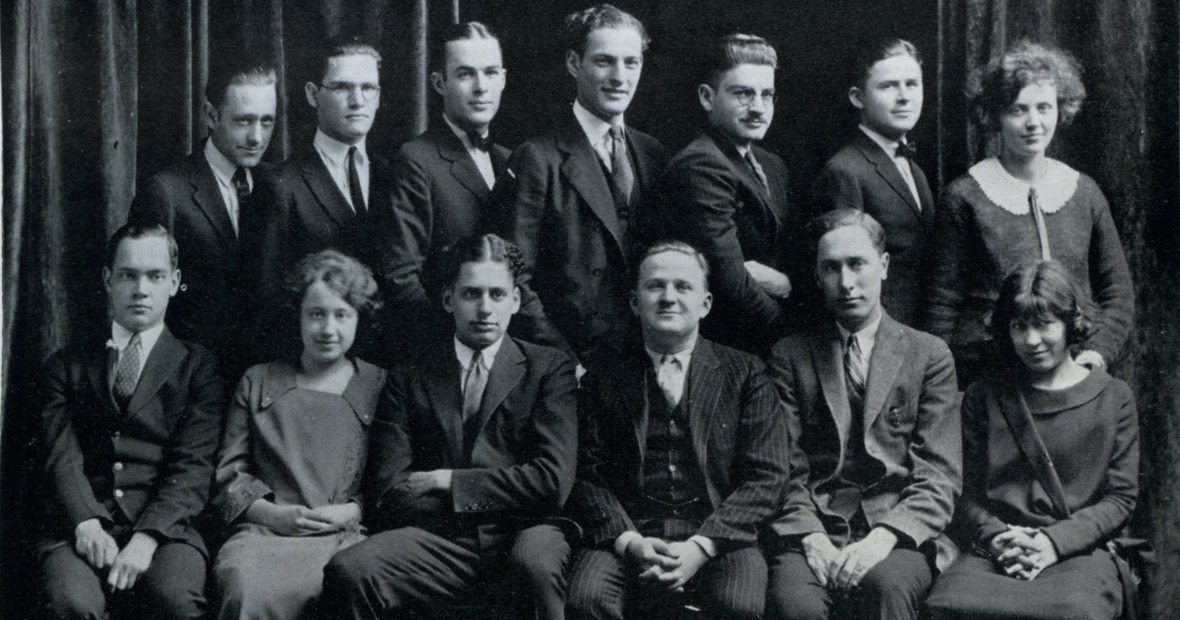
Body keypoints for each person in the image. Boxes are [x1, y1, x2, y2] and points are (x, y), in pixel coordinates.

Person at [320, 234, 578, 620]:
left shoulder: (548, 368)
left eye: (497, 294)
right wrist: (487, 499)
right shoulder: (410, 374)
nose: (485, 308)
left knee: (534, 564)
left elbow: (552, 481)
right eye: (472, 294)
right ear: (448, 300)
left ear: (516, 301)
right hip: (440, 538)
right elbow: (391, 487)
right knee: (351, 570)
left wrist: (449, 481)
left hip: (527, 531)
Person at [565, 240, 790, 620]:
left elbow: (767, 476)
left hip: (719, 534)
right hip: (629, 531)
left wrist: (701, 546)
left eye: (683, 286)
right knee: (587, 599)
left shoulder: (745, 373)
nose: (668, 297)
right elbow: (585, 473)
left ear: (706, 303)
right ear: (635, 302)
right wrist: (630, 541)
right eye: (655, 286)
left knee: (738, 605)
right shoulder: (604, 373)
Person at [765, 209, 960, 620]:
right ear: (817, 277)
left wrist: (885, 538)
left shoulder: (929, 355)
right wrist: (811, 537)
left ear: (884, 266)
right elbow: (784, 468)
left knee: (885, 590)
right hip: (815, 524)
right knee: (795, 606)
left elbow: (939, 474)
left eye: (858, 264)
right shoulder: (791, 356)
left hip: (897, 529)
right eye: (831, 268)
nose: (847, 282)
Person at [925, 260, 1138, 620]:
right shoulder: (985, 396)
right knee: (946, 605)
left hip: (1077, 551)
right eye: (1019, 326)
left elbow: (1120, 498)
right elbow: (965, 493)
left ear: (1070, 324)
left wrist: (1053, 543)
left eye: (1044, 324)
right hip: (997, 550)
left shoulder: (1113, 397)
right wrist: (996, 537)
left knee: (1073, 611)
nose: (1031, 340)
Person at [37, 223, 224, 619]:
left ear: (174, 282)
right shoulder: (65, 365)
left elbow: (193, 466)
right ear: (108, 279)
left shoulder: (198, 367)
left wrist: (148, 537)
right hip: (79, 525)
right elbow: (60, 457)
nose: (141, 289)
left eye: (155, 276)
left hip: (167, 529)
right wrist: (86, 521)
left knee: (174, 602)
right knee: (72, 604)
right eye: (128, 275)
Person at [923, 41, 1134, 388]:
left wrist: (1096, 353)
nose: (1033, 122)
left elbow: (1118, 294)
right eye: (1018, 109)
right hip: (993, 381)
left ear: (1060, 109)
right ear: (994, 115)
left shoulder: (1084, 192)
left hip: (1077, 377)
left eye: (1044, 107)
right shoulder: (964, 196)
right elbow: (941, 308)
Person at [488, 3, 668, 368]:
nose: (620, 76)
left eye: (631, 62)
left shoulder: (652, 153)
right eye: (604, 61)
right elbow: (513, 278)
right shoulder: (537, 158)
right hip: (573, 363)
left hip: (645, 357)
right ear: (574, 63)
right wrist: (564, 364)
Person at [211, 250, 386, 620]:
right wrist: (271, 515)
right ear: (298, 316)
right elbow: (229, 473)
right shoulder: (259, 381)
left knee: (350, 582)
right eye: (316, 314)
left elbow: (387, 478)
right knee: (242, 583)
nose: (328, 329)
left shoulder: (376, 385)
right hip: (264, 534)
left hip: (344, 536)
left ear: (359, 318)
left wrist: (353, 510)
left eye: (342, 315)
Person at [129, 59, 278, 380]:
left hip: (266, 381)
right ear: (211, 116)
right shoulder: (167, 191)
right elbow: (146, 308)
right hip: (193, 384)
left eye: (267, 122)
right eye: (244, 121)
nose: (256, 137)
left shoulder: (277, 183)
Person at [658, 33, 796, 355]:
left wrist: (786, 284)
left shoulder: (771, 165)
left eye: (768, 95)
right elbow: (731, 283)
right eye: (744, 94)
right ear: (707, 98)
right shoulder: (702, 164)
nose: (759, 108)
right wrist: (794, 336)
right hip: (730, 348)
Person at [262, 35, 393, 362]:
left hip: (388, 369)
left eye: (368, 88)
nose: (358, 100)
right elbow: (268, 299)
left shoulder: (396, 175)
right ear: (312, 94)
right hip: (313, 369)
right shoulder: (281, 183)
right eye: (342, 87)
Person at [384, 21, 512, 356]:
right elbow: (400, 277)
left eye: (490, 72)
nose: (481, 87)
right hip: (444, 350)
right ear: (439, 83)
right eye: (465, 74)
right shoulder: (416, 159)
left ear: (503, 79)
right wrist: (456, 345)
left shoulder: (510, 160)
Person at [810, 38, 934, 326]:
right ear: (857, 97)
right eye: (889, 86)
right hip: (877, 334)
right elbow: (842, 277)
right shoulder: (844, 170)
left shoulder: (914, 168)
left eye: (912, 84)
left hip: (918, 333)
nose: (904, 96)